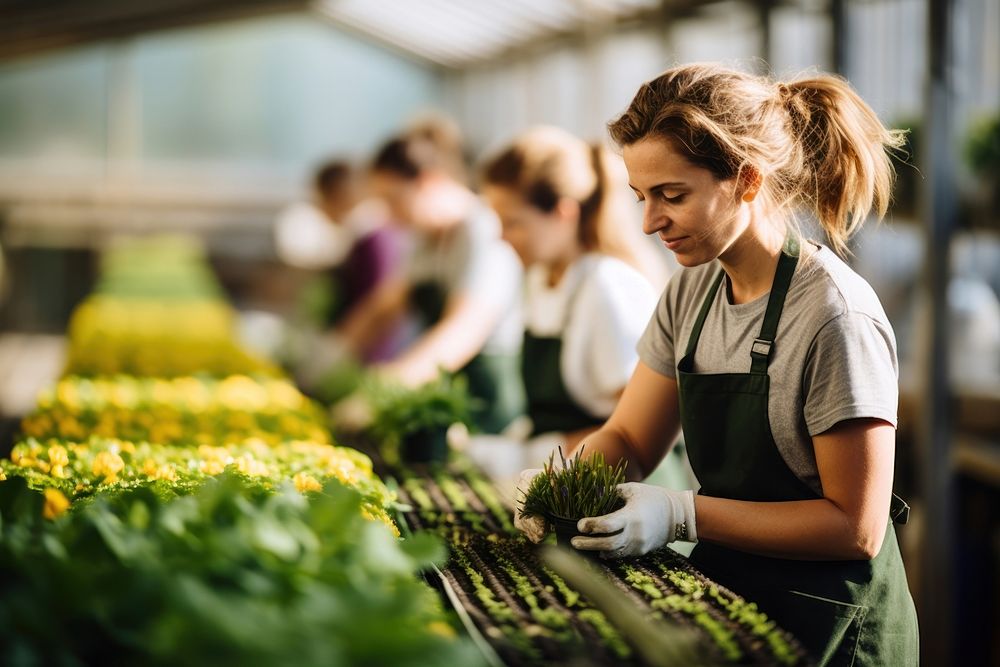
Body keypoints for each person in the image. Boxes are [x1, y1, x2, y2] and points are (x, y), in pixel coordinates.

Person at [515, 63, 919, 666]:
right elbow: (629, 434)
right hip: (730, 593)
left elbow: (853, 528)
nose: (650, 221)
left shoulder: (835, 317)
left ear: (748, 179)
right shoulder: (693, 291)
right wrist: (554, 495)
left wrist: (681, 512)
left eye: (672, 196)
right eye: (641, 197)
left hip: (830, 623)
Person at [460, 126, 666, 482]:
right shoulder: (541, 279)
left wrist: (540, 452)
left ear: (563, 212)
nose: (501, 236)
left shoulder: (607, 286)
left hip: (621, 489)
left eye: (514, 223)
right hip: (566, 480)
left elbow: (645, 430)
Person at [332, 132, 525, 434]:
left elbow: (461, 331)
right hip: (442, 400)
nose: (388, 213)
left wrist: (385, 387)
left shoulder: (483, 231)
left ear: (427, 181)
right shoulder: (425, 239)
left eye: (393, 199)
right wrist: (333, 356)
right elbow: (385, 306)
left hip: (487, 408)